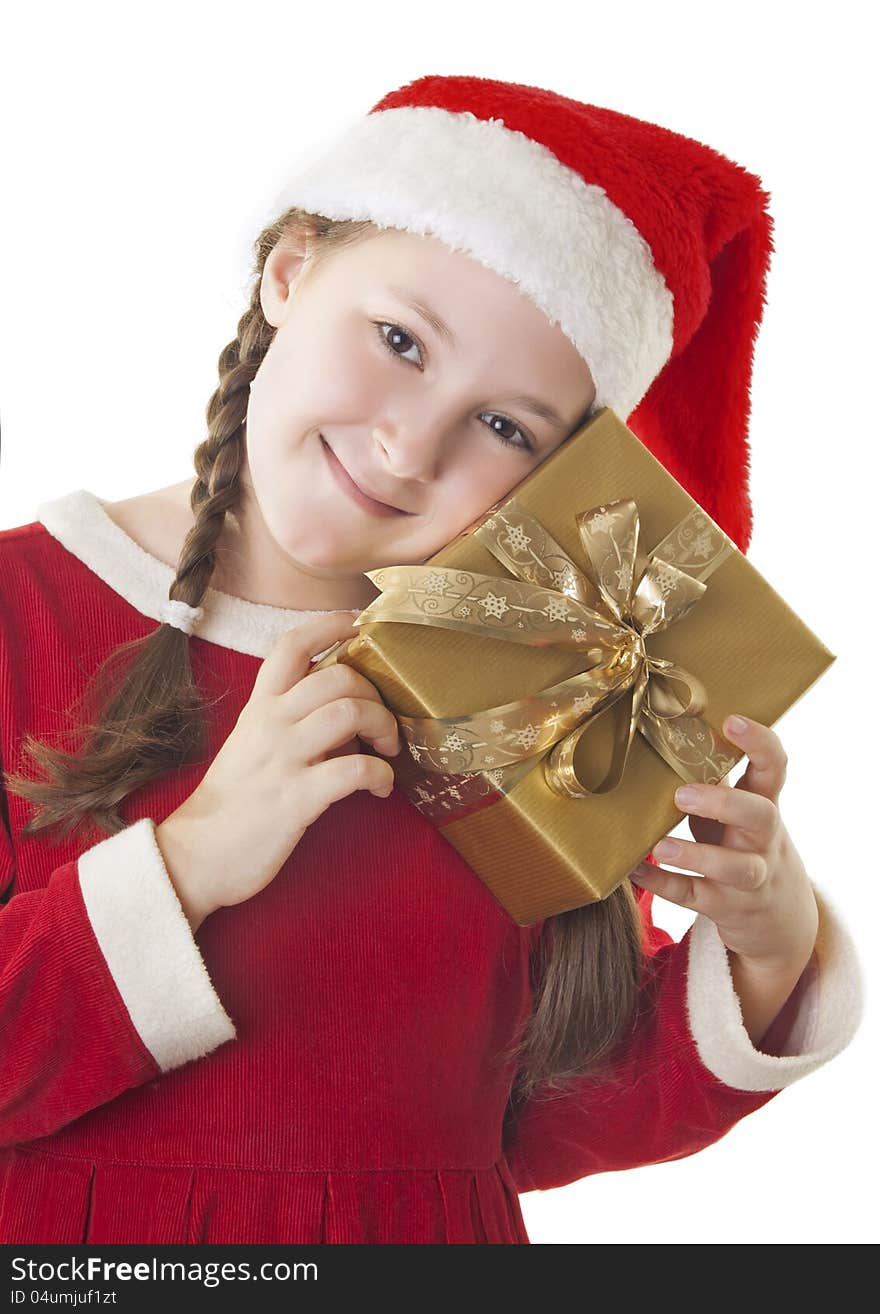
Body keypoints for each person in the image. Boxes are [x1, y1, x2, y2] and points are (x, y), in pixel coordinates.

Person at [0, 73, 864, 1245]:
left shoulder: (534, 685)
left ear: (561, 476)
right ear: (291, 271)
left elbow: (539, 1116)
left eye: (505, 427)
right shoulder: (20, 608)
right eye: (399, 340)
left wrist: (763, 947)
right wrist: (193, 860)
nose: (409, 447)